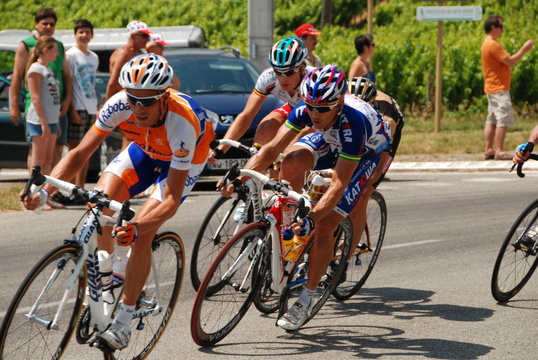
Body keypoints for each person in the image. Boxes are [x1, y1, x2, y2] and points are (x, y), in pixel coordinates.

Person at [22, 53, 216, 350]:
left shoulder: (182, 122)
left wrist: (138, 227)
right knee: (99, 202)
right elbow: (78, 154)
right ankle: (109, 274)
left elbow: (173, 199)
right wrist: (46, 190)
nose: (138, 107)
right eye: (133, 99)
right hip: (146, 151)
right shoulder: (119, 104)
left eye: (147, 101)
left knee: (141, 234)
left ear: (163, 97)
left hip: (183, 161)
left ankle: (124, 322)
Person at [222, 65, 390, 330]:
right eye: (310, 106)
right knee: (290, 160)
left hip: (368, 151)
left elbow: (338, 184)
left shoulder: (354, 124)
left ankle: (306, 299)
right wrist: (239, 177)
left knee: (326, 224)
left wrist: (313, 217)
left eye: (322, 108)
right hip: (331, 138)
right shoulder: (307, 110)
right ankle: (291, 224)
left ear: (339, 103)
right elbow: (271, 149)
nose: (314, 113)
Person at [209, 36, 314, 163]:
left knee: (291, 156)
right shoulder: (268, 78)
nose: (283, 79)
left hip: (318, 117)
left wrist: (287, 150)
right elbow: (247, 115)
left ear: (302, 68)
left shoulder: (313, 82)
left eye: (290, 72)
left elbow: (312, 125)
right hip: (294, 108)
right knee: (266, 126)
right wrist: (221, 149)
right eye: (278, 72)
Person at [346, 76, 404, 260]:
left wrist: (371, 176)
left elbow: (382, 155)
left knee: (362, 192)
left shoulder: (386, 116)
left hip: (385, 136)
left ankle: (344, 262)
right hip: (360, 129)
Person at [9, 7, 72, 174]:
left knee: (57, 148)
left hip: (55, 106)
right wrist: (14, 104)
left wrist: (67, 100)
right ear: (36, 24)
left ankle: (50, 189)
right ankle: (33, 187)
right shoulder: (27, 45)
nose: (48, 27)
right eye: (45, 24)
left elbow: (65, 75)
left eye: (52, 24)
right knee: (36, 151)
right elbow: (16, 76)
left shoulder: (57, 46)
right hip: (36, 106)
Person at [481, 15, 534, 160]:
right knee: (502, 119)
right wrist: (524, 49)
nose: (502, 31)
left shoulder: (486, 43)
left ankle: (489, 149)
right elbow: (510, 61)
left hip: (491, 86)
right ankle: (499, 150)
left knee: (491, 119)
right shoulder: (493, 44)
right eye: (501, 27)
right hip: (498, 87)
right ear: (493, 27)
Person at [25, 35, 61, 212]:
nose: (57, 53)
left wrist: (55, 122)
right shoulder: (35, 69)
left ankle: (43, 197)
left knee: (48, 159)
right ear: (46, 50)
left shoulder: (48, 69)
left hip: (52, 120)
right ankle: (30, 196)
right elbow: (36, 98)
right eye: (55, 49)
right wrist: (44, 123)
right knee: (38, 161)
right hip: (39, 121)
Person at [66, 19, 99, 202]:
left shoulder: (93, 57)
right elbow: (69, 83)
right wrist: (72, 110)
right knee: (74, 150)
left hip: (91, 107)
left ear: (92, 35)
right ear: (75, 34)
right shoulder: (70, 55)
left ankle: (80, 189)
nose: (84, 35)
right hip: (77, 106)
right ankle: (71, 189)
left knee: (87, 150)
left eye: (87, 32)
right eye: (80, 32)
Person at [106, 20, 151, 151]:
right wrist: (109, 107)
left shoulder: (137, 53)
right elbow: (113, 83)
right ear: (133, 36)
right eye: (144, 35)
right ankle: (123, 171)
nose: (147, 39)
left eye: (147, 36)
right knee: (128, 139)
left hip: (132, 101)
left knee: (136, 139)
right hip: (123, 102)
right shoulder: (123, 53)